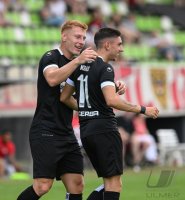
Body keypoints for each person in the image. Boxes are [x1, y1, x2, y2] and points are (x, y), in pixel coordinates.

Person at [60, 27, 159, 200]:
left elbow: (64, 97)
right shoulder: (105, 68)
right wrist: (143, 110)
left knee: (109, 184)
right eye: (119, 44)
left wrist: (86, 108)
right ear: (107, 45)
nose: (121, 49)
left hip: (87, 131)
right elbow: (111, 101)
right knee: (114, 184)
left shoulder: (78, 66)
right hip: (104, 130)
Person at [16, 20, 98, 200]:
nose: (81, 41)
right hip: (45, 130)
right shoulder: (51, 56)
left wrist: (115, 87)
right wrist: (78, 61)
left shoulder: (79, 65)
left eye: (83, 37)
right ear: (64, 36)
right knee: (43, 186)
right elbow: (52, 79)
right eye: (77, 36)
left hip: (66, 132)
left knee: (77, 183)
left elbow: (79, 97)